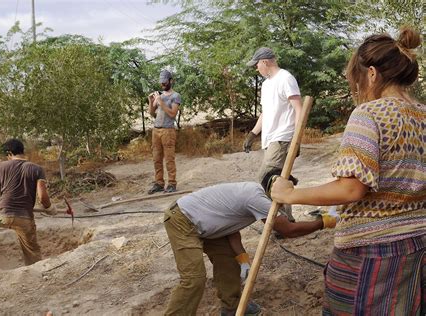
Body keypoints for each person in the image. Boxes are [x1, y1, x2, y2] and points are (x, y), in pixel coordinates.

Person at [271, 27, 425, 315]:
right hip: (417, 246)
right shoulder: (424, 116)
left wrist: (291, 194)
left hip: (371, 252)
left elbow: (351, 188)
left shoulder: (370, 115)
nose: (358, 90)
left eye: (356, 81)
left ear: (371, 73)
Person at [163, 177, 338, 316]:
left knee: (229, 264)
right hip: (183, 220)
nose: (286, 203)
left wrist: (242, 259)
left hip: (208, 226)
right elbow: (288, 230)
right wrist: (322, 222)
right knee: (194, 279)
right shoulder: (258, 200)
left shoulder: (253, 190)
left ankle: (232, 308)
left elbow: (230, 226)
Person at [243, 47, 303, 221]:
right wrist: (253, 134)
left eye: (257, 65)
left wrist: (297, 139)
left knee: (265, 177)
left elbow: (298, 109)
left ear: (265, 62)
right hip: (269, 139)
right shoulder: (266, 84)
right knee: (277, 180)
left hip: (283, 137)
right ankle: (287, 219)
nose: (256, 69)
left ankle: (283, 219)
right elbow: (266, 112)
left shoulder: (285, 78)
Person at [147, 69, 181, 194]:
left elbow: (172, 114)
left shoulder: (175, 96)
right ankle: (159, 183)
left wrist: (161, 102)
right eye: (161, 83)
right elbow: (151, 113)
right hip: (156, 130)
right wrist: (151, 101)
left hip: (168, 130)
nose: (163, 85)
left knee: (169, 158)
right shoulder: (159, 96)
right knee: (156, 158)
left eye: (165, 83)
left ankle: (172, 183)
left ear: (171, 81)